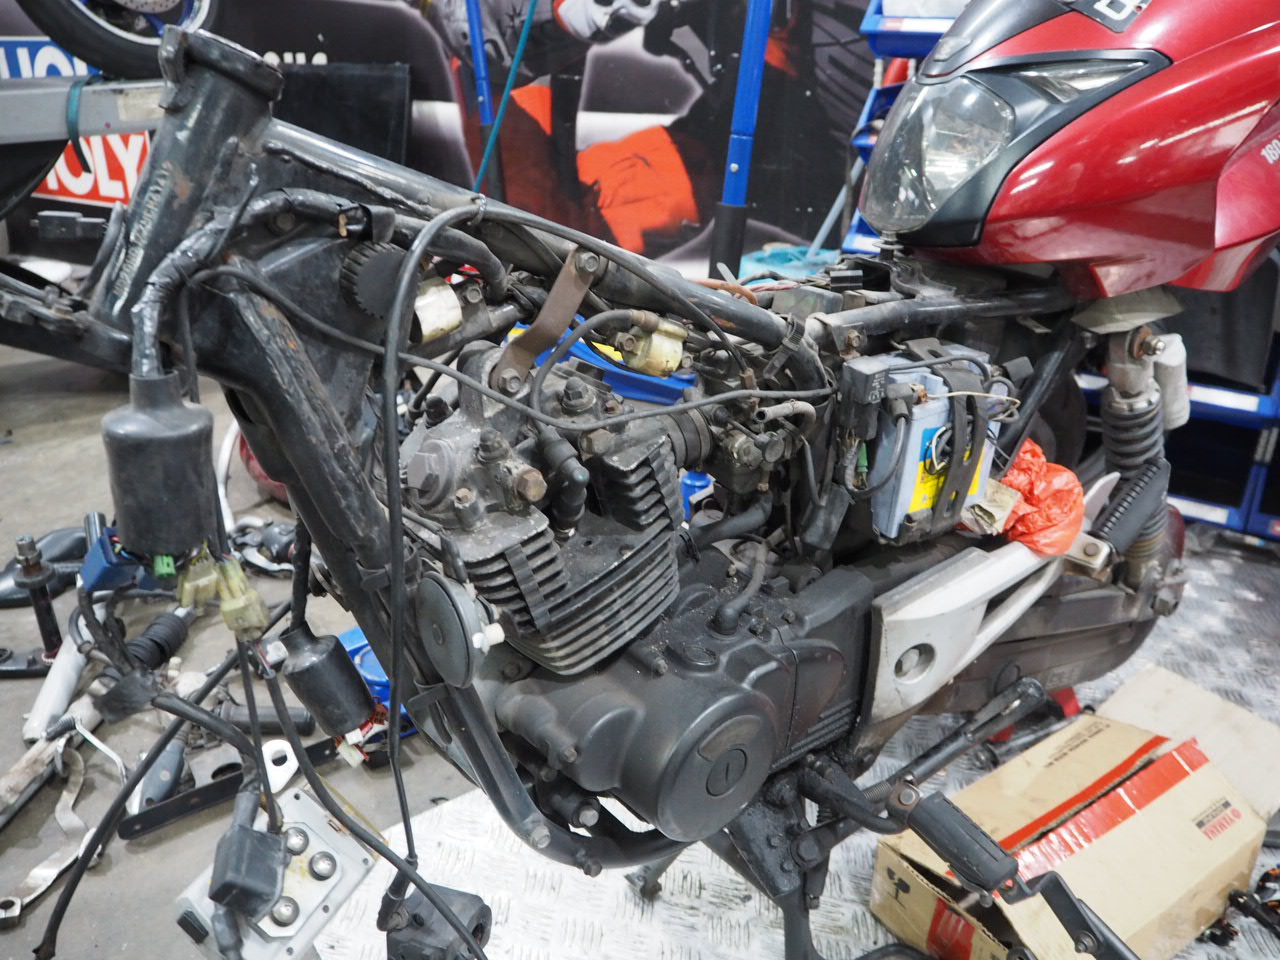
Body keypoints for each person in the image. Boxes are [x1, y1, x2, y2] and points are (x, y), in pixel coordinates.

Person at [424, 0, 871, 258]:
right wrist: (571, 11)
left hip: (863, 174)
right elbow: (475, 25)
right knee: (543, 249)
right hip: (746, 153)